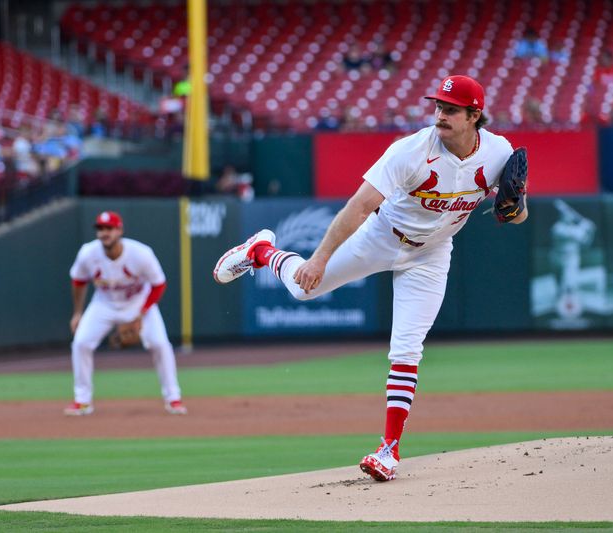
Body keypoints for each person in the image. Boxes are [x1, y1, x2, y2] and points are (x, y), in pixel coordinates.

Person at [213, 75, 528, 481]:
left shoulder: (499, 152)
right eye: (437, 106)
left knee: (407, 349)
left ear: (474, 115)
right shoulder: (411, 151)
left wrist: (513, 208)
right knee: (301, 288)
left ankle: (389, 450)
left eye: (450, 109)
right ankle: (262, 251)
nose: (440, 115)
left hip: (431, 254)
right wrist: (320, 258)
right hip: (381, 236)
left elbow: (519, 214)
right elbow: (359, 205)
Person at [66, 211, 186, 416]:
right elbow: (78, 281)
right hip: (103, 304)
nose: (105, 233)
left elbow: (159, 284)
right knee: (81, 343)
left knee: (160, 344)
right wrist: (77, 312)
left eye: (109, 228)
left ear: (120, 230)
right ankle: (82, 401)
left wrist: (142, 313)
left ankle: (173, 398)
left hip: (138, 303)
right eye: (101, 229)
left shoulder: (141, 254)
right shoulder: (88, 253)